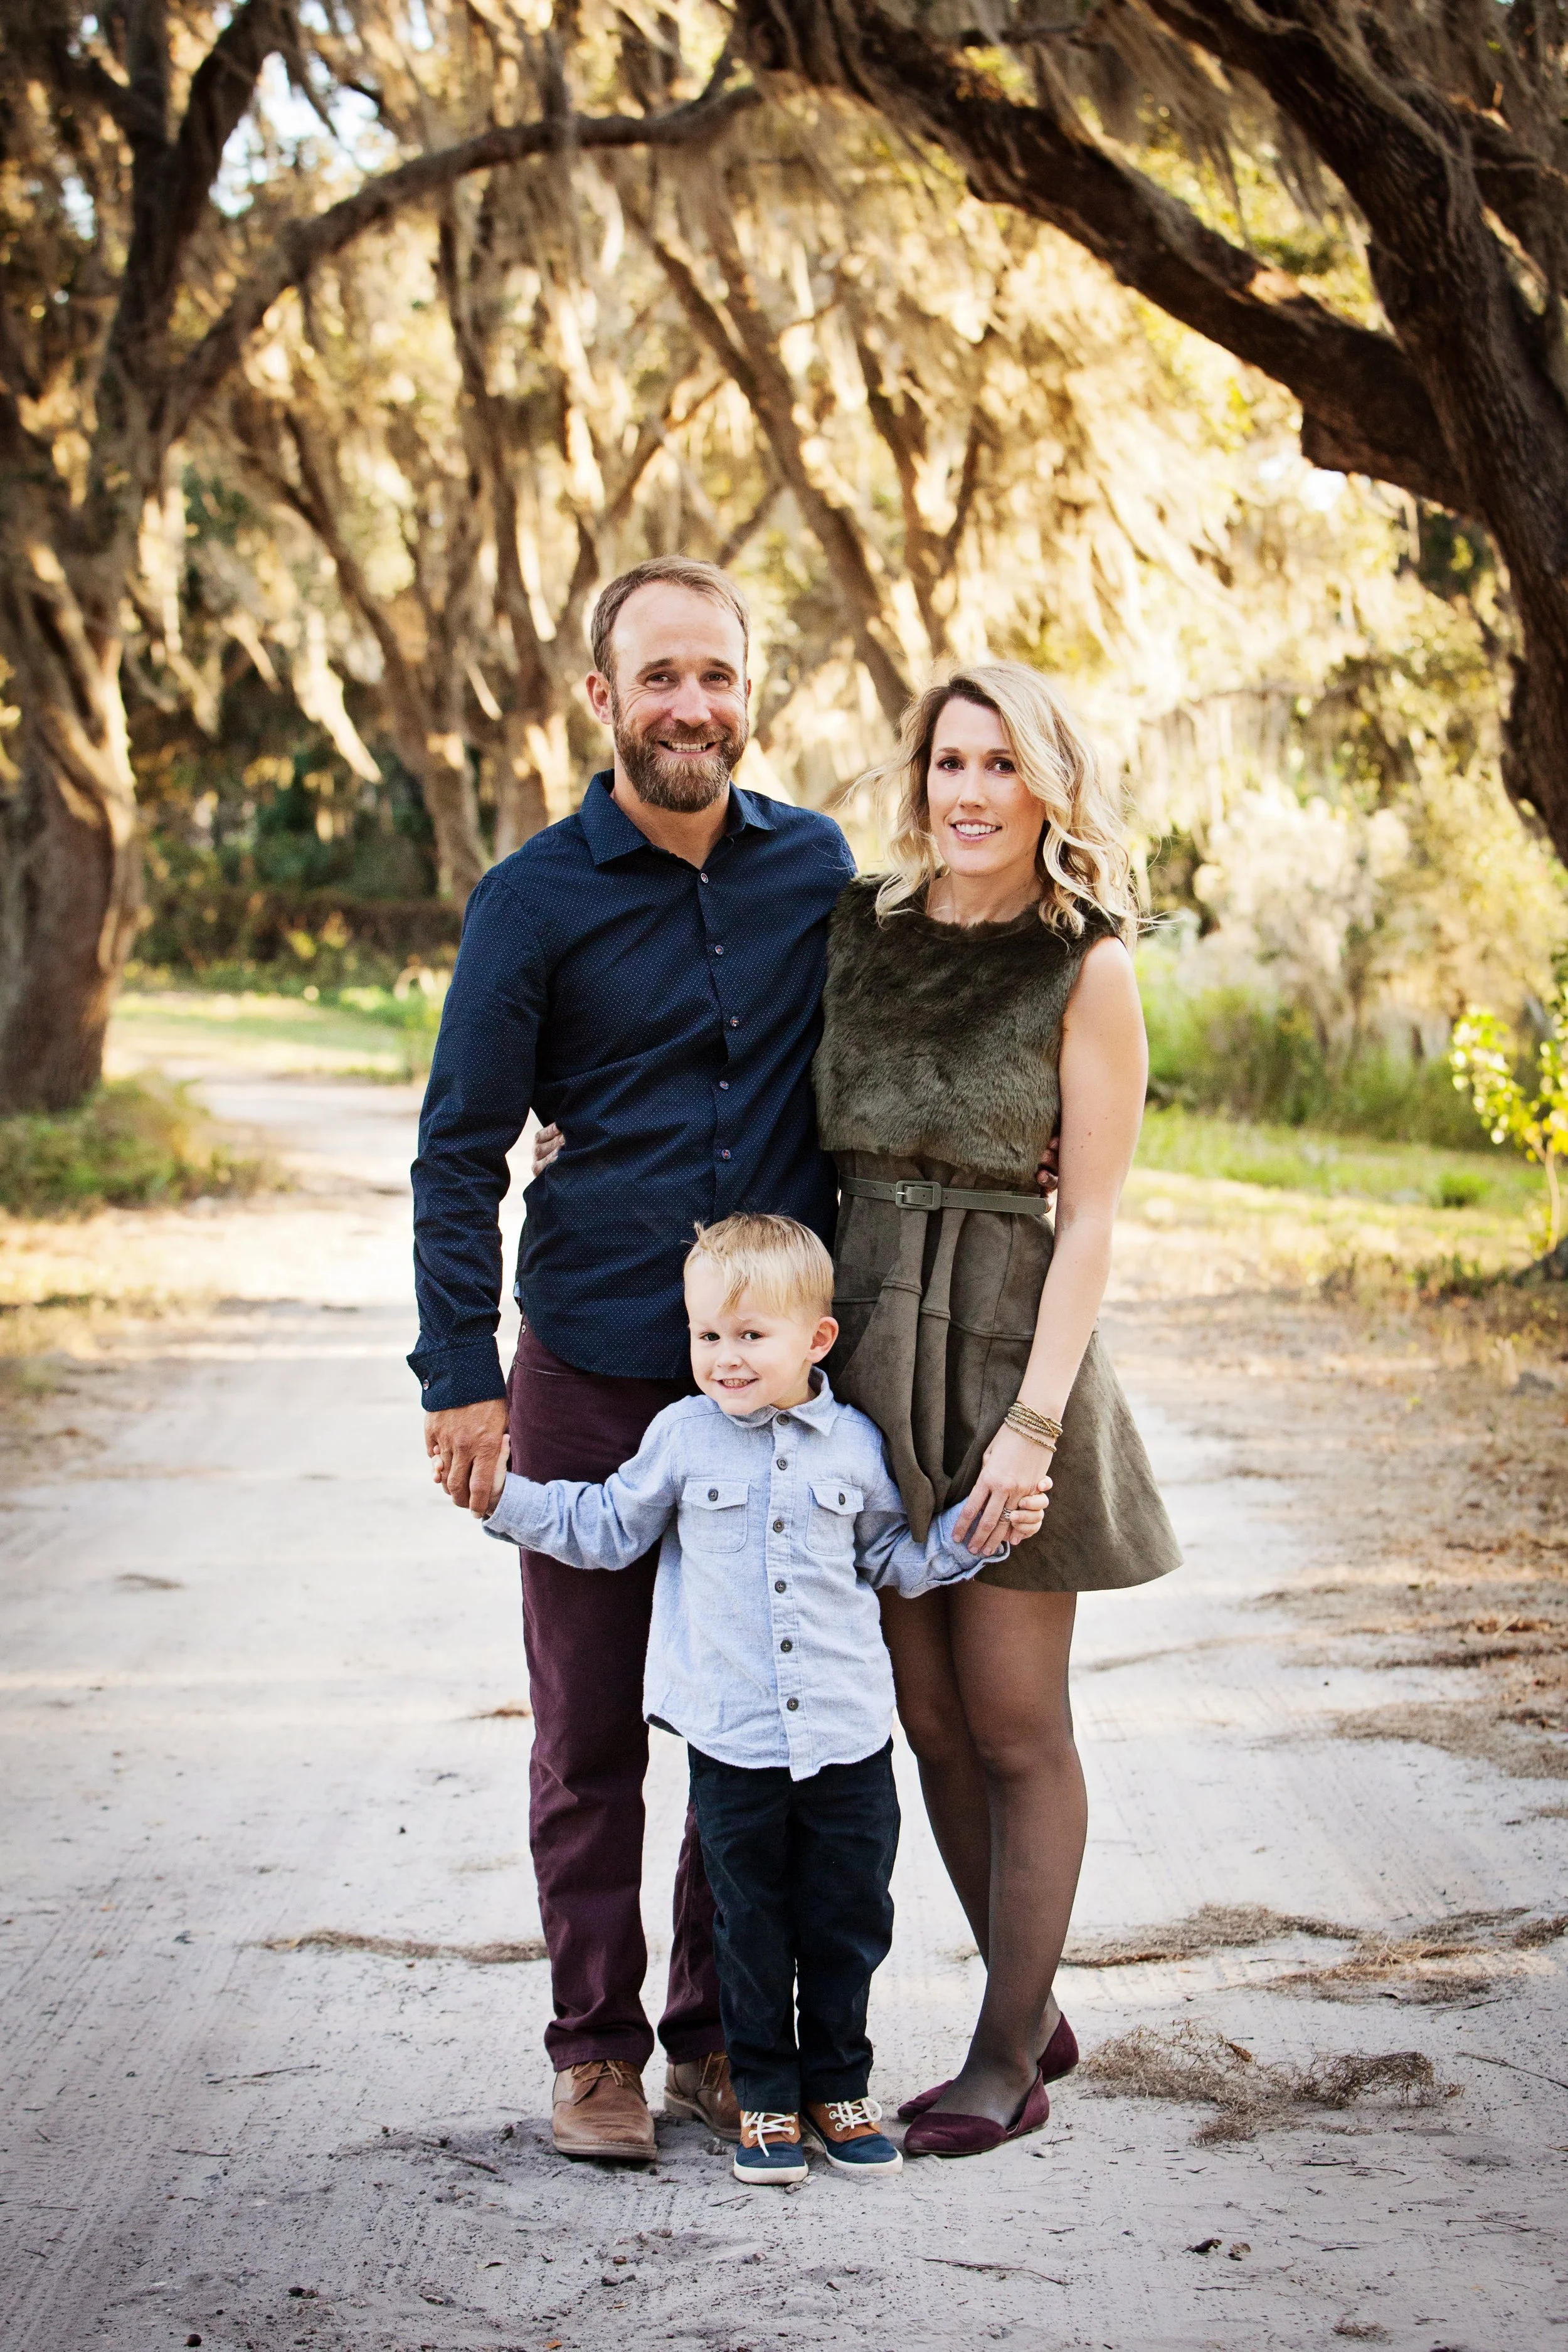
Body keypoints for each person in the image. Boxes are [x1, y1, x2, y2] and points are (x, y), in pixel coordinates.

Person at [411, 558, 857, 2161]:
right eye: (658, 676)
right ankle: (592, 2049)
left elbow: (896, 1053)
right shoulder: (533, 898)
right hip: (594, 1361)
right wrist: (458, 1372)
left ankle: (715, 2038)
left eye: (717, 676)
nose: (692, 706)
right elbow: (458, 1149)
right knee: (591, 1735)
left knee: (743, 1724)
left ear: (752, 691)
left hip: (770, 1388)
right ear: (600, 698)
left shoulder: (817, 869)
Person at [470, 1214, 1049, 2183]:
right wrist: (502, 1498)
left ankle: (839, 2087)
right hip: (735, 1741)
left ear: (816, 1340)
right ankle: (767, 2101)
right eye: (707, 1337)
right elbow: (609, 1525)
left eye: (751, 1336)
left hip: (847, 1736)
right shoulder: (681, 1440)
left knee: (849, 1918)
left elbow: (893, 1562)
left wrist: (978, 1533)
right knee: (750, 1923)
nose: (726, 1359)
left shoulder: (856, 1445)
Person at [813, 661, 1182, 2159]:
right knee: (926, 1719)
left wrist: (1031, 1432)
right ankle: (1030, 1995)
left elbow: (1089, 1217)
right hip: (866, 1335)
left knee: (1016, 1723)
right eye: (947, 763)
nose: (967, 792)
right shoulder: (861, 931)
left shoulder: (1082, 962)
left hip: (1004, 1347)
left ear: (1048, 785)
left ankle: (998, 2053)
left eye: (998, 765)